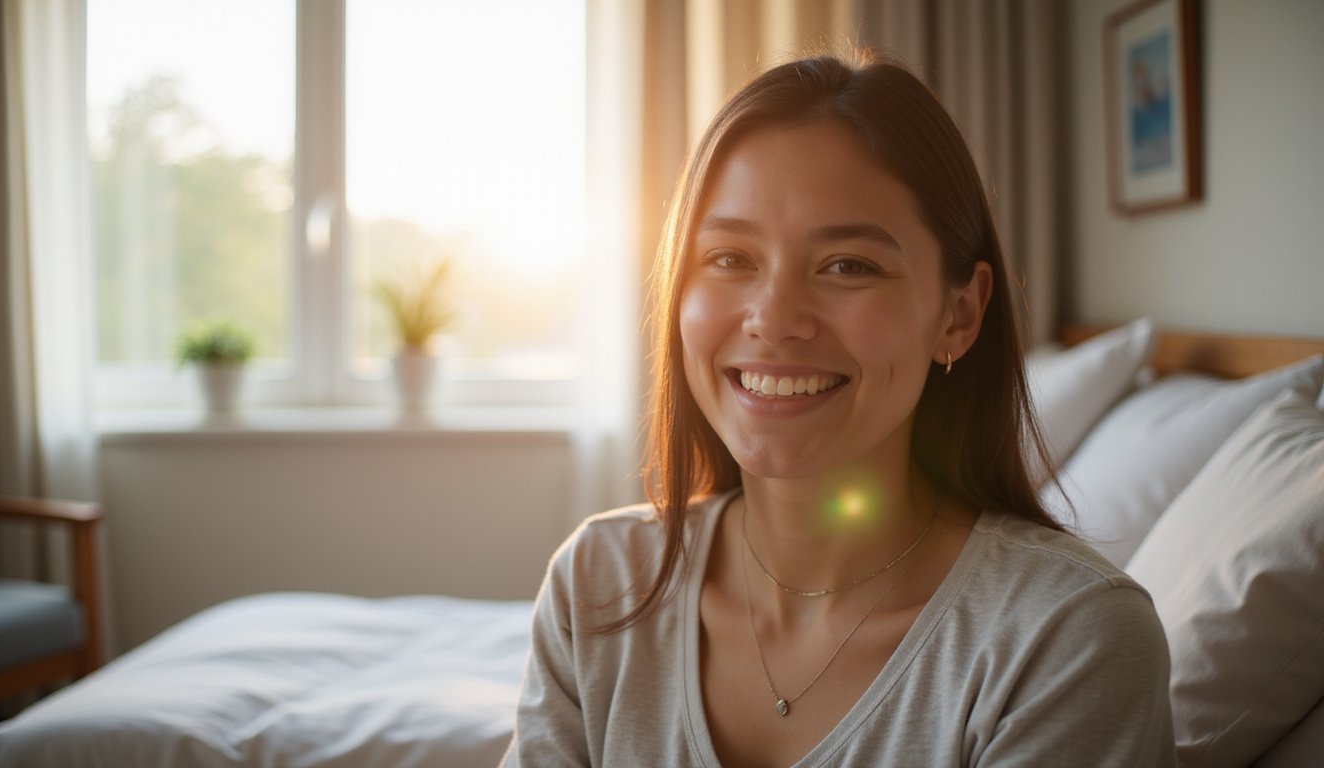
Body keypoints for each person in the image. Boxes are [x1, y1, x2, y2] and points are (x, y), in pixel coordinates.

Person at [502, 53, 1175, 767]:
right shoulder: (600, 584)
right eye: (730, 258)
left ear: (959, 314)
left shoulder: (1067, 640)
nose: (773, 318)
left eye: (848, 265)